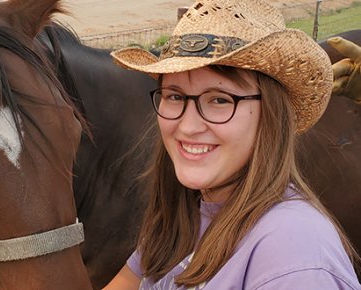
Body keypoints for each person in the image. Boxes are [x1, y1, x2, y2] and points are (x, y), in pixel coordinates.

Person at [104, 0, 361, 289]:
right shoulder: (181, 217)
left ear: (271, 115)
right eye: (175, 96)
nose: (187, 126)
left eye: (219, 100)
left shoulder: (294, 256)